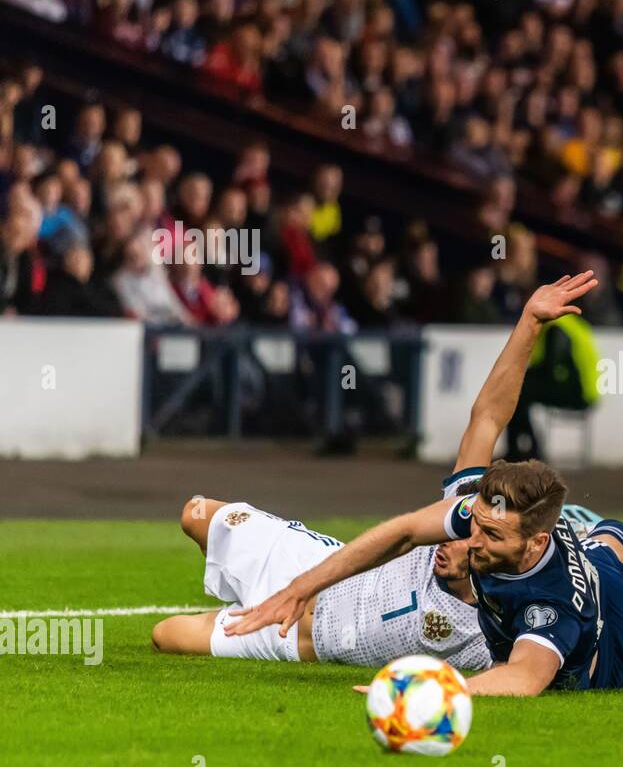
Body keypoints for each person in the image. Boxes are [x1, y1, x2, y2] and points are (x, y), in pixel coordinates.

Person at [151, 275, 584, 670]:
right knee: (194, 512)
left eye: (472, 544)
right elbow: (487, 417)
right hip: (309, 563)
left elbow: (554, 658)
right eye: (464, 531)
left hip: (296, 639)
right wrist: (529, 323)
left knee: (166, 636)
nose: (456, 539)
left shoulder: (492, 634)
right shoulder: (471, 516)